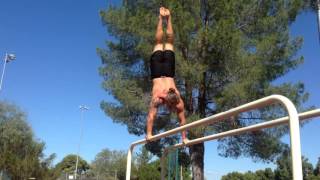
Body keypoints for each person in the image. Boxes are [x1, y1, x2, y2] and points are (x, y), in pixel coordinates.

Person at [146, 7, 188, 144]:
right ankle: (163, 18)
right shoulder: (159, 100)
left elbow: (152, 116)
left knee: (167, 43)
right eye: (171, 108)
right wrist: (149, 134)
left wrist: (149, 134)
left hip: (167, 72)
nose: (170, 110)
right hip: (158, 72)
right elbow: (182, 121)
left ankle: (165, 18)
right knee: (161, 43)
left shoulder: (165, 100)